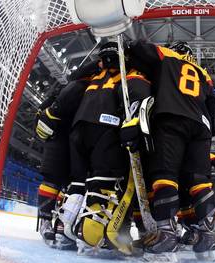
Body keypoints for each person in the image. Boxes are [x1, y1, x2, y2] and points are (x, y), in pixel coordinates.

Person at [124, 40, 215, 261]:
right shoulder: (202, 72)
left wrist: (127, 43)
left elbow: (139, 48)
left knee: (165, 176)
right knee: (200, 181)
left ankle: (167, 234)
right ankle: (208, 236)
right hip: (201, 126)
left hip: (171, 117)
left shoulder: (166, 54)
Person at [66, 42, 150, 255]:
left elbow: (71, 80)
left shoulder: (93, 76)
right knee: (107, 182)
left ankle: (65, 228)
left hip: (78, 129)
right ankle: (95, 235)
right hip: (106, 128)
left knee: (77, 184)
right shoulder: (128, 74)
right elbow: (140, 94)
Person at [34, 60, 101, 249]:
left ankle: (63, 225)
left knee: (70, 183)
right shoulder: (80, 87)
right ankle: (50, 222)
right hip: (64, 138)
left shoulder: (76, 86)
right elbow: (46, 115)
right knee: (57, 181)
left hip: (71, 138)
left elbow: (42, 116)